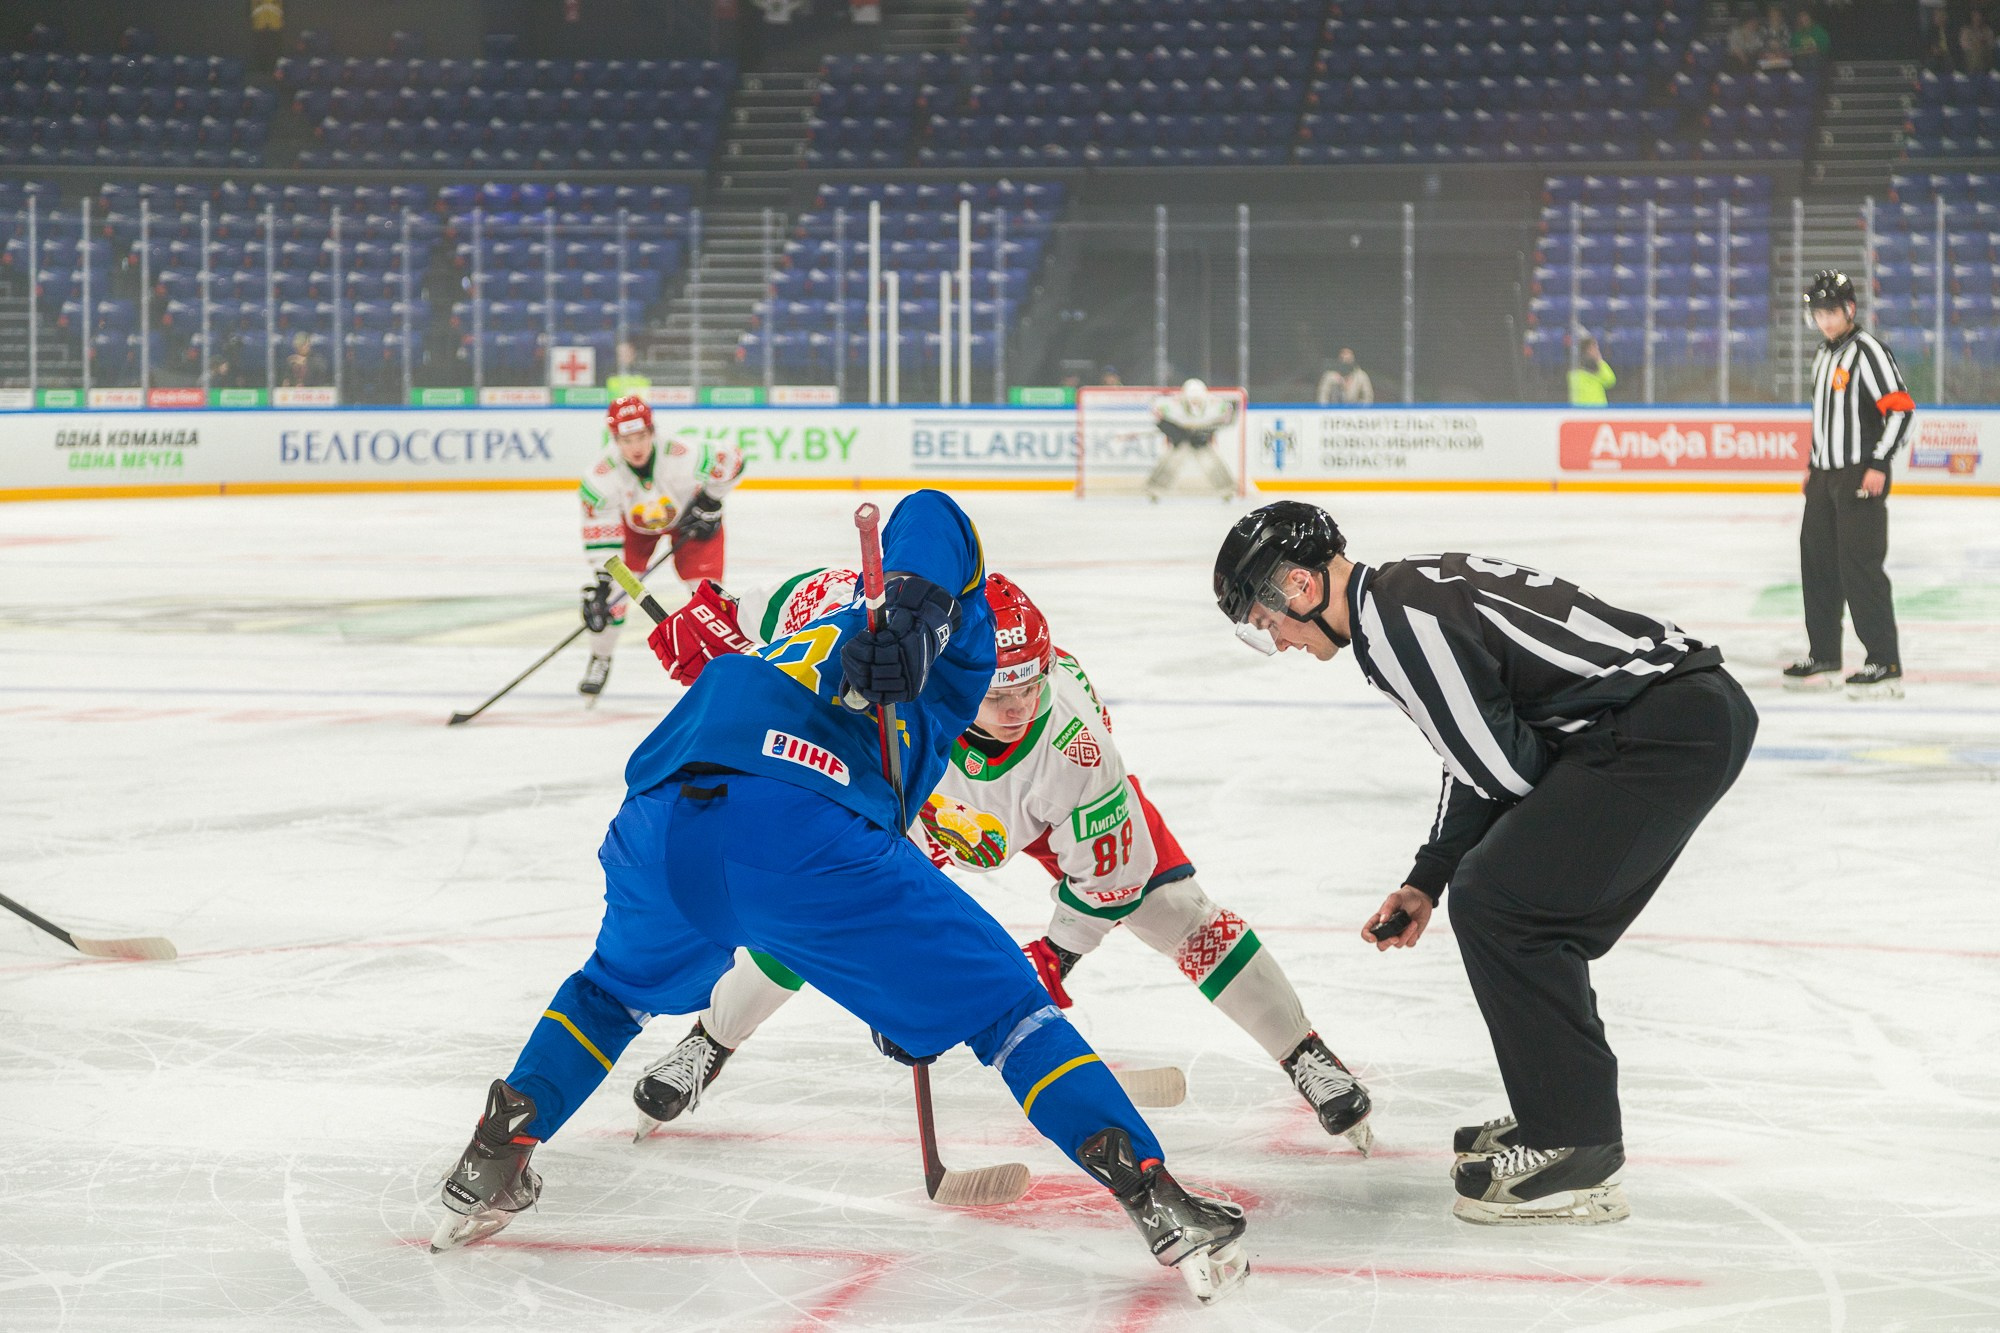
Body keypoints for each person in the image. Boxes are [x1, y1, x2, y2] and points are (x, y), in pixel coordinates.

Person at [430, 491, 1250, 1303]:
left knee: (610, 989)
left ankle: (492, 1155)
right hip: (798, 825)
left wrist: (747, 645)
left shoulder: (829, 607)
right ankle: (1154, 1192)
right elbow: (935, 513)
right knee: (1010, 1010)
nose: (1007, 702)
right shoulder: (960, 646)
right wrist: (925, 612)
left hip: (664, 817)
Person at [631, 570, 1375, 1153]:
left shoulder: (1076, 746)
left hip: (1051, 807)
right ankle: (708, 1041)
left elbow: (1110, 875)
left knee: (1178, 912)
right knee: (813, 917)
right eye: (997, 687)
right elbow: (790, 604)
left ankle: (1305, 1053)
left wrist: (1053, 958)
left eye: (1031, 682)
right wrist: (723, 622)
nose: (1018, 703)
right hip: (923, 793)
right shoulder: (891, 626)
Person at [1211, 502, 1758, 1226]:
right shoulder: (1398, 601)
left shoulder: (1400, 624)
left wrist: (1476, 870)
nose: (1275, 639)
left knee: (1507, 903)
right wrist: (1428, 876)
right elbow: (1473, 757)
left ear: (1301, 588)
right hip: (1674, 719)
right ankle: (1557, 1114)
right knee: (1508, 896)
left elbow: (1502, 770)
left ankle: (1575, 1144)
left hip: (1664, 729)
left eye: (1266, 618)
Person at [1783, 270, 1913, 697]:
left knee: (1860, 567)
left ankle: (1883, 661)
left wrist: (1879, 462)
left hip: (1861, 474)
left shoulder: (1869, 351)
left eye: (1830, 311)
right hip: (1824, 476)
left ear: (1849, 310)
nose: (1823, 319)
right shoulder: (1823, 354)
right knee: (1817, 564)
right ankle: (1823, 654)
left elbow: (1900, 409)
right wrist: (1812, 462)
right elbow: (1824, 420)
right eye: (1817, 312)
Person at [576, 394, 744, 698]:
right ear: (615, 440)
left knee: (706, 596)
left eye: (641, 437)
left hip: (688, 520)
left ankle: (715, 665)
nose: (635, 447)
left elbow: (733, 459)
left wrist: (710, 499)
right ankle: (600, 657)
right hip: (636, 528)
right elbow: (601, 532)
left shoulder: (685, 453)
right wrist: (603, 581)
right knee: (612, 598)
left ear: (652, 432)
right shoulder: (601, 476)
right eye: (626, 440)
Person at [1146, 378, 1239, 501]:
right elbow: (1158, 415)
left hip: (1201, 435)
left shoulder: (1216, 404)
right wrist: (1174, 432)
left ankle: (1227, 490)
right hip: (1182, 434)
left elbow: (1229, 417)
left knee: (1212, 463)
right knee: (1171, 462)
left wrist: (1207, 431)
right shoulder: (1172, 404)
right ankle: (1154, 490)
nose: (1195, 404)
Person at [1567, 332, 1615, 405]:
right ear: (1586, 350)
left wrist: (1599, 361)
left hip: (1598, 412)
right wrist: (1599, 360)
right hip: (1581, 412)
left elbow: (1610, 381)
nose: (1597, 351)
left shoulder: (1598, 368)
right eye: (1594, 349)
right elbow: (1610, 380)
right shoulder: (1574, 374)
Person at [1962, 10, 1996, 75]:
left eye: (1979, 16)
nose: (1978, 19)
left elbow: (1991, 43)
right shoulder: (1966, 30)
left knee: (1982, 52)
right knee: (1975, 54)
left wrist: (1983, 43)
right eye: (1975, 17)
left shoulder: (1987, 30)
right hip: (1970, 55)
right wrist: (1974, 45)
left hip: (1985, 53)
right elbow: (1964, 45)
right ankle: (1974, 73)